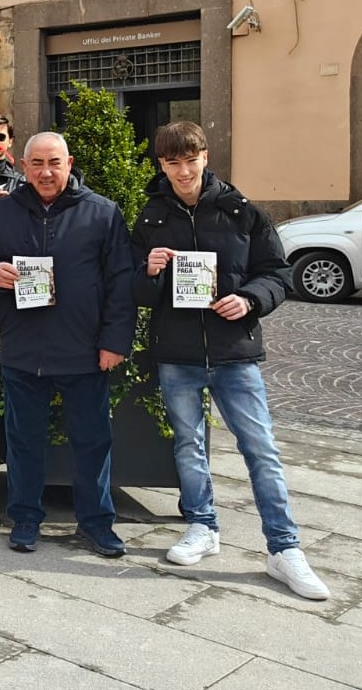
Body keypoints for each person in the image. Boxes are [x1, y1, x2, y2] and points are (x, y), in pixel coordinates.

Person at [131, 121, 330, 600]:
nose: (183, 171)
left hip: (235, 353)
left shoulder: (242, 211)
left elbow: (278, 273)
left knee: (261, 450)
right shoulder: (151, 217)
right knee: (188, 446)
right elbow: (135, 291)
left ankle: (284, 548)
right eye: (173, 162)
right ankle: (203, 526)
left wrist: (250, 300)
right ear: (161, 165)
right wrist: (149, 271)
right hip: (177, 353)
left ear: (205, 156)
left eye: (190, 160)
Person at [0, 132, 134, 556]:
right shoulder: (0, 213)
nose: (46, 172)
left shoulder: (102, 213)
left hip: (84, 348)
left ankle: (96, 523)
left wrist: (114, 341)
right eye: (37, 163)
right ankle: (25, 518)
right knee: (23, 441)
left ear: (69, 164)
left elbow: (121, 282)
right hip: (25, 348)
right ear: (23, 167)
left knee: (92, 441)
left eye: (54, 162)